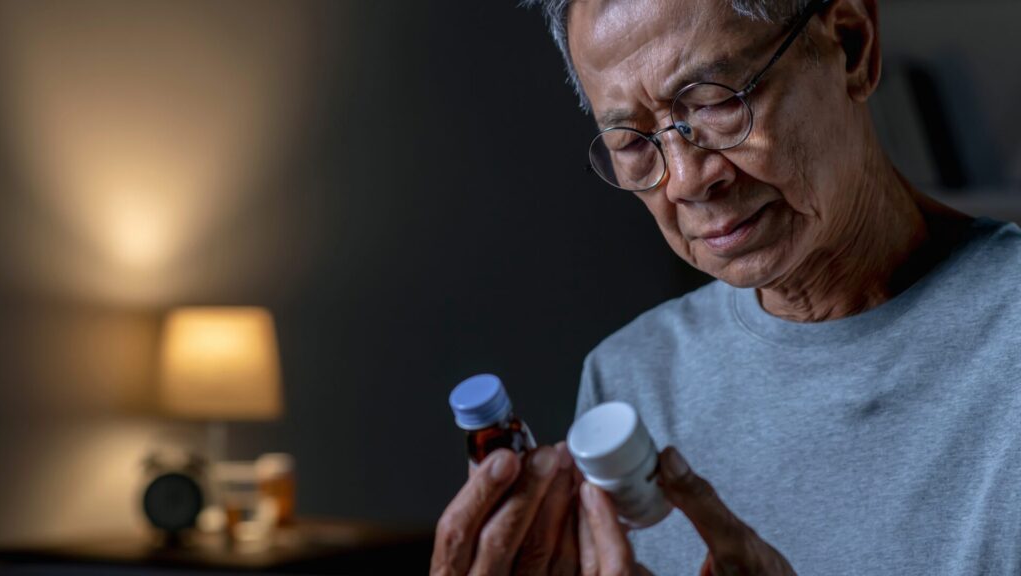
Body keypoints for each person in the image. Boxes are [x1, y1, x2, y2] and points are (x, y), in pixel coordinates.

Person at [431, 0, 1021, 573]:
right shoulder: (629, 380)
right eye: (632, 143)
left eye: (716, 102)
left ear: (850, 44)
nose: (686, 180)